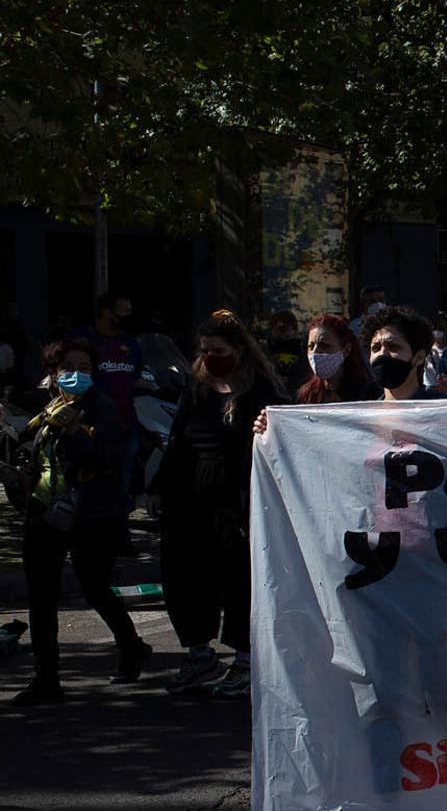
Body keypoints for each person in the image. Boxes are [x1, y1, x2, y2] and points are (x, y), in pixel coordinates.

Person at [255, 305, 447, 811]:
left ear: (418, 354)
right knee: (379, 691)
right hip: (374, 576)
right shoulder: (351, 416)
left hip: (439, 580)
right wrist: (273, 436)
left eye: (394, 347)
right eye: (377, 348)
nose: (384, 356)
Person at [9, 339, 149, 703]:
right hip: (45, 510)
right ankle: (46, 677)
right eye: (68, 367)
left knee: (95, 588)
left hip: (90, 514)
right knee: (41, 595)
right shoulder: (48, 410)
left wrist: (75, 432)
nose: (76, 375)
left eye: (84, 368)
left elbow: (106, 459)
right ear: (53, 373)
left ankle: (131, 646)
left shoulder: (100, 410)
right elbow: (38, 456)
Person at [156, 311, 283, 697]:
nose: (211, 357)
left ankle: (245, 660)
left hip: (238, 502)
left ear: (239, 351)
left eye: (219, 350)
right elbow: (178, 440)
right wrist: (157, 489)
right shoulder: (196, 388)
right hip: (192, 500)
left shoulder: (258, 391)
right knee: (185, 577)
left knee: (239, 582)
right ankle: (199, 655)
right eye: (206, 350)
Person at [70, 291, 144, 429]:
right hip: (91, 422)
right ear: (107, 312)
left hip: (126, 422)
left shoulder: (132, 344)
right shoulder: (82, 340)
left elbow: (137, 377)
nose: (128, 317)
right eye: (124, 312)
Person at [297, 314, 379, 404]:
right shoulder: (307, 395)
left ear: (346, 350)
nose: (315, 352)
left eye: (324, 345)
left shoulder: (368, 393)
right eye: (311, 346)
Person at [266, 310, 310, 395]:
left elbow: (304, 374)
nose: (285, 332)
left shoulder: (301, 348)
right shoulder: (267, 348)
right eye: (281, 328)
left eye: (288, 327)